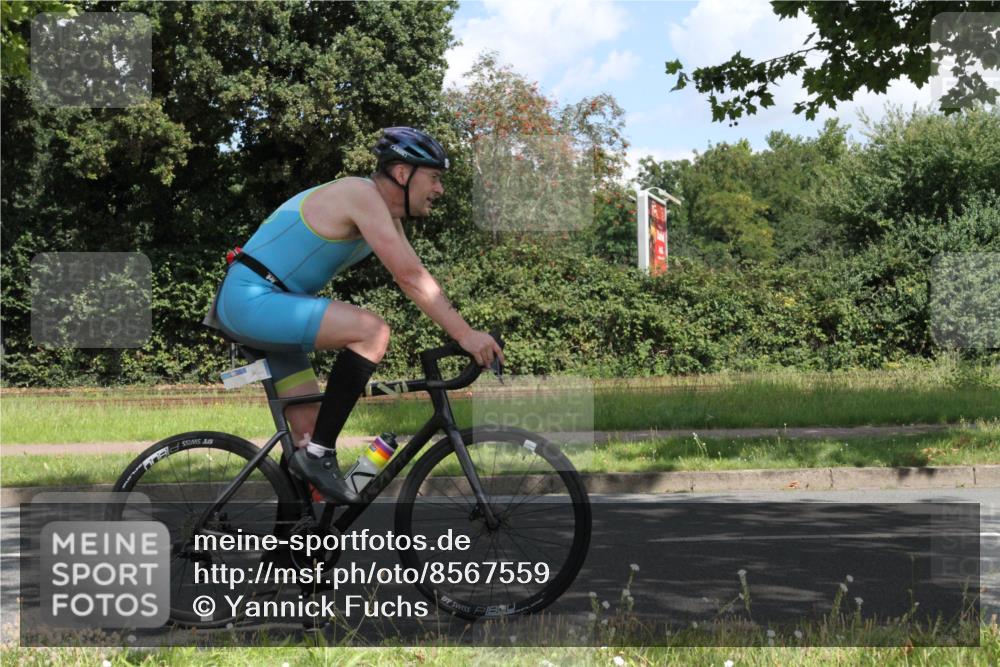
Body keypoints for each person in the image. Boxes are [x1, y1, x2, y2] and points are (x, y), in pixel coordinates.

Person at [202, 127, 504, 503]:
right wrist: (465, 335)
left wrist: (463, 330)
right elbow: (409, 278)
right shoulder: (360, 194)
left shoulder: (384, 215)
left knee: (306, 436)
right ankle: (320, 453)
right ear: (402, 173)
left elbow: (418, 276)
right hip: (252, 299)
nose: (439, 189)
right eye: (435, 177)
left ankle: (289, 552)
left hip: (272, 304)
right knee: (371, 332)